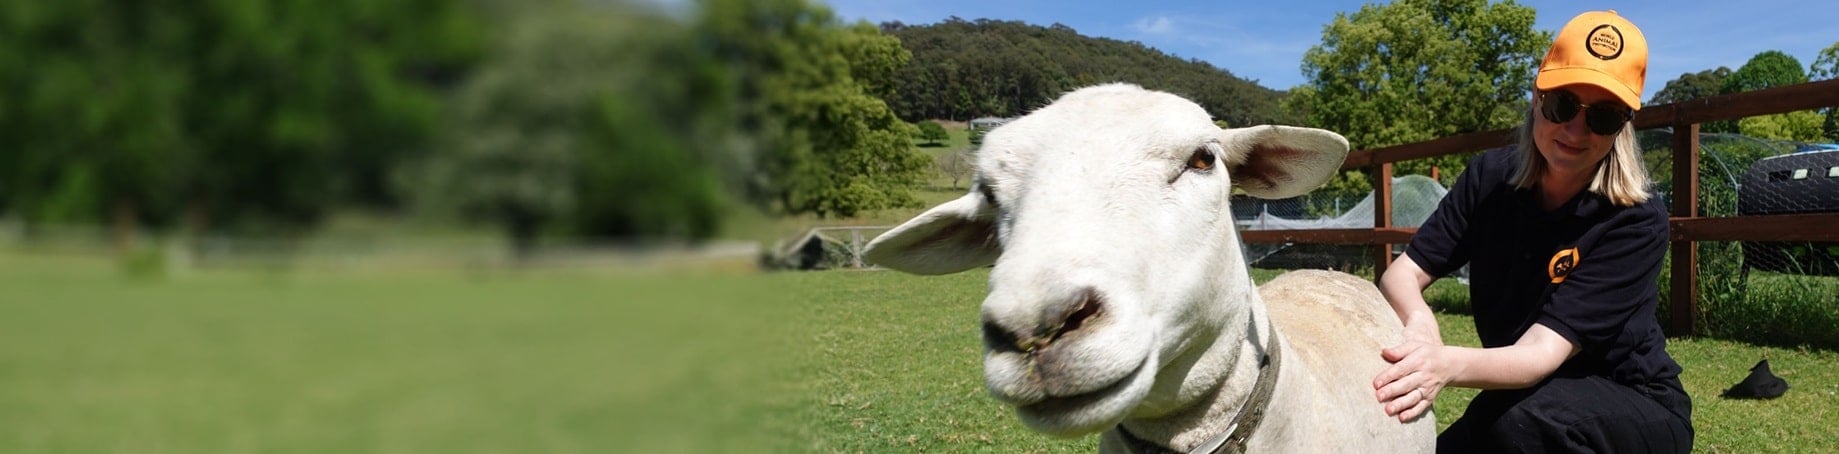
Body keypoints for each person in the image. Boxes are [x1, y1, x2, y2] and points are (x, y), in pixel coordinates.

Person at [1369, 10, 1693, 453]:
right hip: (1523, 400)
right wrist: (1420, 320)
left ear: (1622, 127)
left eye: (1602, 116)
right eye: (1562, 103)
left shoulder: (1634, 219)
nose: (1576, 130)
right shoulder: (1489, 179)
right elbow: (1400, 274)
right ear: (1537, 96)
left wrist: (1442, 364)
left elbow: (1540, 353)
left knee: (1522, 421)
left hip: (1633, 402)